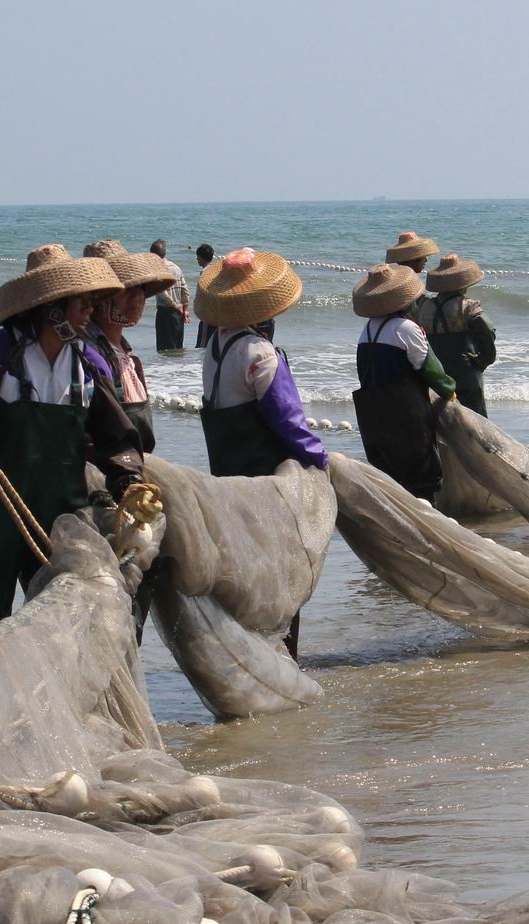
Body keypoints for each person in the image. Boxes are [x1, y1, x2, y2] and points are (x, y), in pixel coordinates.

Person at [0, 246, 146, 644]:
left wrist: (129, 481)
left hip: (59, 519)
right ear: (51, 307)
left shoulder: (87, 367)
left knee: (61, 626)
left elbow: (116, 437)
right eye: (82, 302)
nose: (90, 311)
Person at [197, 248, 326, 659]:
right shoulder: (258, 353)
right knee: (285, 567)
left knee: (249, 567)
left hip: (228, 475)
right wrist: (320, 460)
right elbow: (287, 419)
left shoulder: (215, 350)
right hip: (267, 479)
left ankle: (254, 652)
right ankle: (287, 656)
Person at [351, 263, 456, 500]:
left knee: (391, 480)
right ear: (404, 301)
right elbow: (429, 368)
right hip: (406, 417)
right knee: (420, 481)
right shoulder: (406, 329)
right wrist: (449, 391)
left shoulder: (367, 331)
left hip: (374, 417)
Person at [82, 239, 177, 452]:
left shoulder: (125, 352)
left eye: (141, 288)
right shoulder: (89, 354)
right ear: (99, 299)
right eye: (126, 290)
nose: (138, 297)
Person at [412, 253, 497, 417]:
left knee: (442, 418)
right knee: (475, 418)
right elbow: (487, 332)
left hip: (436, 373)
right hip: (465, 371)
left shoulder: (424, 306)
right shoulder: (468, 307)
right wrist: (484, 360)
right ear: (463, 284)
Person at [150, 240, 189, 352]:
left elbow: (162, 293)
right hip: (179, 314)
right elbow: (185, 290)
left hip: (166, 313)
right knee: (178, 348)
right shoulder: (176, 267)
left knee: (165, 349)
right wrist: (184, 310)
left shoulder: (158, 269)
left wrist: (176, 306)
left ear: (153, 255)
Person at [192, 244, 217, 349]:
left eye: (197, 256)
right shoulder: (216, 269)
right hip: (217, 313)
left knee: (203, 345)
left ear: (201, 257)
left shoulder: (205, 272)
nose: (197, 259)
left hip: (207, 313)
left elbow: (202, 293)